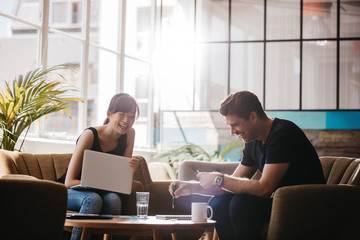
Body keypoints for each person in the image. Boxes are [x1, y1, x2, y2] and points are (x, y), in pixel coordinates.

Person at [169, 91, 325, 240]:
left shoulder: (282, 134)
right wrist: (191, 187)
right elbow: (230, 185)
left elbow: (264, 189)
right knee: (218, 203)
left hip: (304, 203)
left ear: (253, 116)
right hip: (280, 201)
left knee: (241, 204)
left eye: (235, 124)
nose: (232, 132)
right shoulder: (253, 142)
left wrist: (219, 178)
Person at [57, 93, 139, 240]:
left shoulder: (129, 134)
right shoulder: (89, 135)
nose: (127, 120)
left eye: (132, 116)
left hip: (101, 192)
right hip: (70, 191)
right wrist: (100, 186)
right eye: (122, 114)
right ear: (109, 114)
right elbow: (69, 182)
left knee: (113, 199)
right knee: (93, 199)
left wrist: (130, 168)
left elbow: (121, 182)